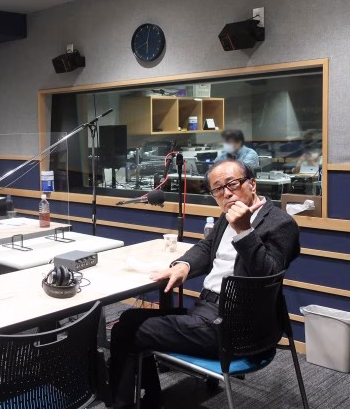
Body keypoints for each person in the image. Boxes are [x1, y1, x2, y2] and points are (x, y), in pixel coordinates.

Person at [109, 159, 300, 408]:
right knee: (130, 317)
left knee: (125, 331)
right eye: (218, 189)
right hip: (207, 312)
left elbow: (267, 274)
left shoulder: (281, 223)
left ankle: (124, 404)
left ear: (252, 184)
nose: (226, 193)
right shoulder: (226, 217)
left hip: (236, 327)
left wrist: (244, 231)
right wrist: (184, 265)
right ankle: (153, 399)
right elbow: (206, 247)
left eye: (232, 184)